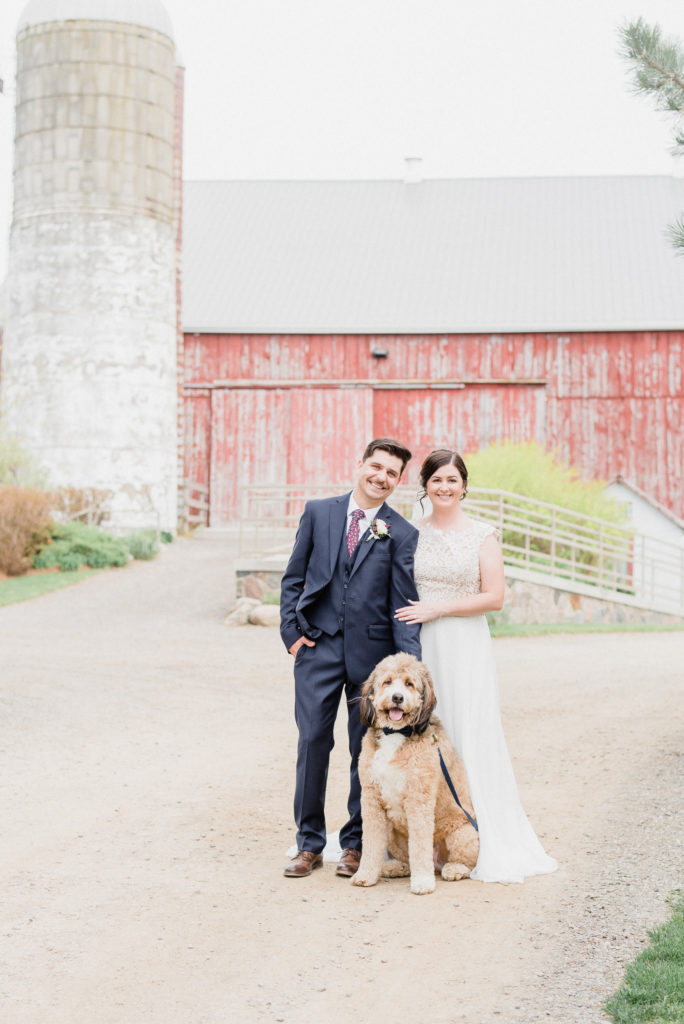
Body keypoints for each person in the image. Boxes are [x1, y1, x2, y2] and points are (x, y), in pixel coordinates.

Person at [395, 449, 557, 883]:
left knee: (467, 729)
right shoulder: (410, 532)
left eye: (453, 480)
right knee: (424, 734)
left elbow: (494, 597)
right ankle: (422, 839)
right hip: (422, 644)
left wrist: (438, 609)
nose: (445, 487)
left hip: (465, 644)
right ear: (425, 485)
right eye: (437, 480)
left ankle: (472, 833)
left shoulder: (483, 534)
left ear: (464, 485)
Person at [280, 438, 422, 879]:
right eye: (375, 467)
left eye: (391, 474)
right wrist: (292, 635)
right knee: (312, 743)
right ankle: (308, 844)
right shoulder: (319, 512)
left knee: (366, 752)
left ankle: (356, 845)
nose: (381, 477)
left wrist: (406, 668)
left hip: (373, 661)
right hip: (318, 648)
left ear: (399, 482)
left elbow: (402, 603)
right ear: (359, 465)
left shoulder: (401, 532)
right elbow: (294, 576)